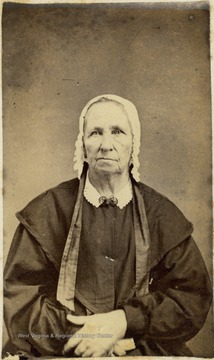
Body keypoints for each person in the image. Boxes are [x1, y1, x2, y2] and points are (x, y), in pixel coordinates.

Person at [4, 94, 212, 358]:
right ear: (82, 146)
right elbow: (20, 299)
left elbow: (191, 299)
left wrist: (124, 322)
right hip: (61, 348)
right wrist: (87, 336)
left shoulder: (161, 215)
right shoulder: (48, 209)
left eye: (117, 132)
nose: (106, 145)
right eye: (95, 133)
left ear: (133, 142)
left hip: (140, 346)